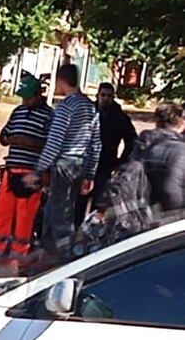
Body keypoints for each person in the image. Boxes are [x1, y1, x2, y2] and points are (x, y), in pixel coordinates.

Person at [24, 64, 101, 261]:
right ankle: (47, 255)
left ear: (61, 81)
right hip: (80, 165)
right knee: (54, 210)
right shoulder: (90, 107)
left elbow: (55, 142)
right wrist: (90, 173)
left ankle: (66, 258)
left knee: (59, 216)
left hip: (65, 164)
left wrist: (38, 169)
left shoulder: (65, 107)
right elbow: (96, 143)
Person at [0, 72, 53, 269]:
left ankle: (18, 256)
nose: (25, 101)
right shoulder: (18, 112)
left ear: (39, 95)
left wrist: (29, 143)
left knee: (25, 217)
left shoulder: (49, 116)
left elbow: (51, 144)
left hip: (32, 173)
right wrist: (11, 140)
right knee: (2, 215)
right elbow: (3, 135)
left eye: (28, 97)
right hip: (11, 170)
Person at [74, 82, 137, 226]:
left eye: (109, 96)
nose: (106, 99)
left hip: (106, 165)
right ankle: (75, 232)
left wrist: (120, 162)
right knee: (79, 202)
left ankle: (93, 234)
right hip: (85, 163)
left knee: (99, 203)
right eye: (103, 95)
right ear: (98, 95)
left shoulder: (120, 118)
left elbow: (132, 141)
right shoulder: (89, 112)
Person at [130, 101, 185, 212]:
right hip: (168, 215)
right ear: (182, 124)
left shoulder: (141, 143)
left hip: (136, 210)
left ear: (157, 122)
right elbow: (173, 192)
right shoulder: (181, 150)